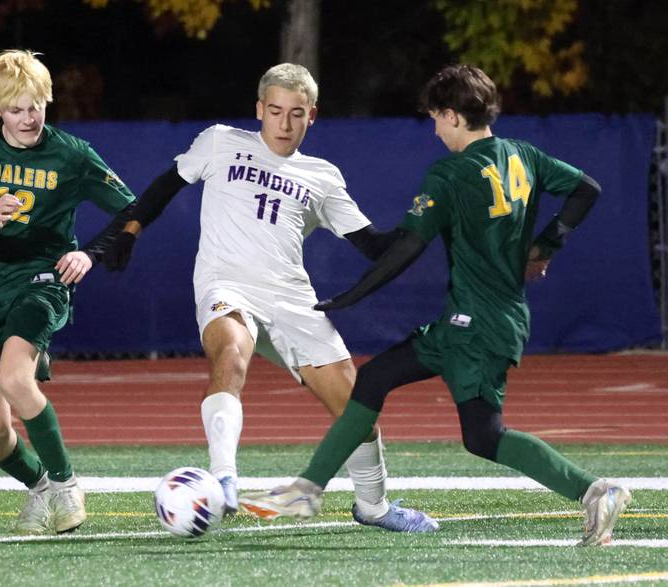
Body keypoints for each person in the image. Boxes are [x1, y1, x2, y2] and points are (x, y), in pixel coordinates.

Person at [238, 64, 631, 547]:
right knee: (392, 388)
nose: (435, 128)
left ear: (451, 114)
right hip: (488, 319)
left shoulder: (452, 172)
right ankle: (308, 489)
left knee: (480, 433)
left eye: (436, 118)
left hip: (474, 326)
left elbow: (406, 246)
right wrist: (548, 245)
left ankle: (595, 488)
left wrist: (353, 295)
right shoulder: (522, 154)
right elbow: (586, 188)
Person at [104, 63, 438, 532]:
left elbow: (374, 246)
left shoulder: (321, 176)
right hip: (227, 284)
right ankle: (223, 480)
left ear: (312, 116)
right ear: (259, 109)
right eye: (275, 111)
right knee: (231, 353)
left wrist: (424, 225)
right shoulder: (221, 142)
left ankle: (374, 507)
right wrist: (130, 230)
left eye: (296, 113)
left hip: (293, 300)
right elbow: (167, 184)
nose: (284, 123)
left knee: (358, 411)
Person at [0, 49, 137, 534]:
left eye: (36, 106)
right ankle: (39, 486)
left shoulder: (70, 153)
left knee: (15, 378)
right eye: (16, 109)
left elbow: (134, 209)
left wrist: (90, 254)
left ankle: (67, 482)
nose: (28, 118)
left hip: (41, 279)